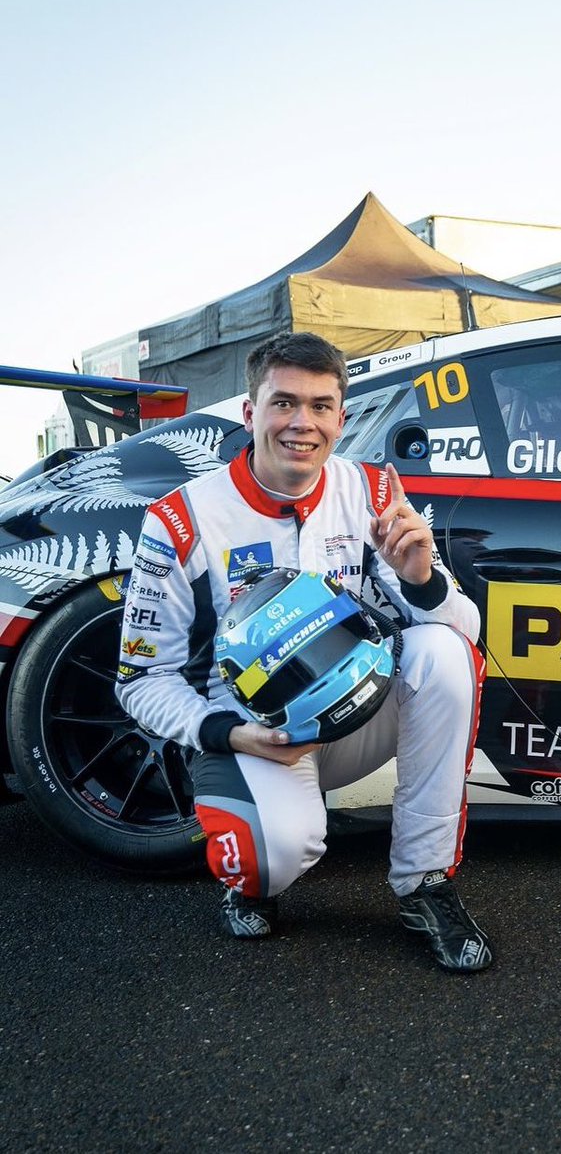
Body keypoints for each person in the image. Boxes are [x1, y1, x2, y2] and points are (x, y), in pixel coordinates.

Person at [115, 331, 492, 973]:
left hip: (356, 719)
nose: (302, 423)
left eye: (320, 406)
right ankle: (253, 876)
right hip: (255, 736)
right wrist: (228, 734)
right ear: (250, 413)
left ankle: (425, 882)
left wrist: (422, 578)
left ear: (341, 419)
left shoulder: (373, 492)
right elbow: (139, 678)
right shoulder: (180, 519)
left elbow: (466, 628)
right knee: (276, 857)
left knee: (444, 652)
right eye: (283, 403)